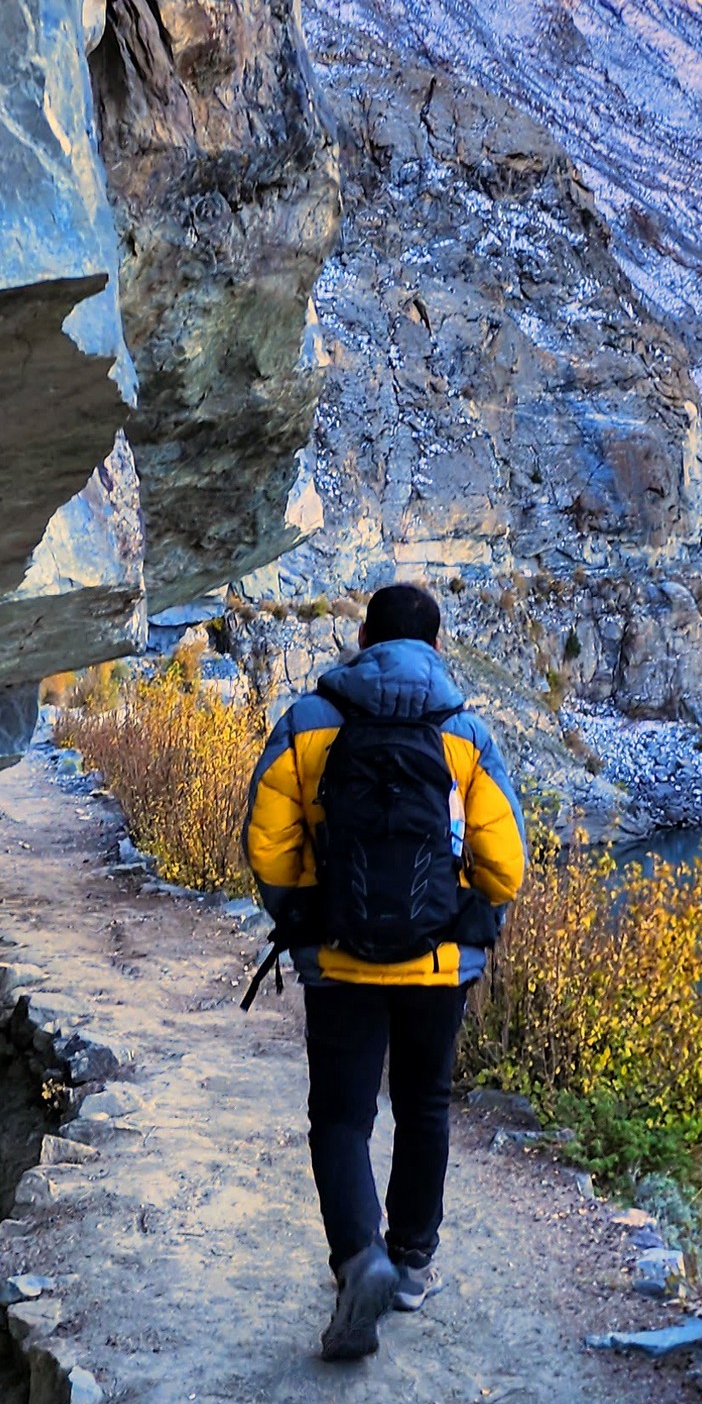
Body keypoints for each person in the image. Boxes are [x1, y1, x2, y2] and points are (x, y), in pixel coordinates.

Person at [242, 581, 527, 1361]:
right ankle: (409, 1266)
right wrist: (478, 921)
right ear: (436, 646)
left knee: (341, 1117)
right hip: (439, 965)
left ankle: (356, 1258)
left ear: (364, 638)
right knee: (425, 1107)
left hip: (339, 959)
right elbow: (504, 865)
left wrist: (302, 914)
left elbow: (266, 842)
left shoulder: (309, 720)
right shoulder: (464, 732)